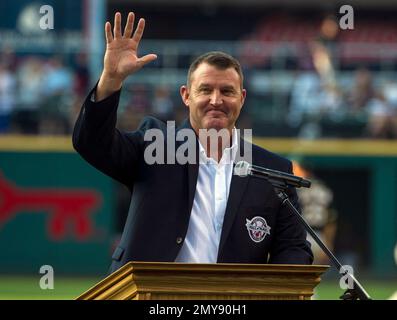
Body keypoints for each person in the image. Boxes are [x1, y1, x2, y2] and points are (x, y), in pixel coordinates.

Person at [73, 12, 313, 273]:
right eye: (205, 90)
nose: (216, 100)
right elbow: (91, 143)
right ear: (186, 96)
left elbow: (293, 248)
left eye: (227, 91)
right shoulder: (156, 146)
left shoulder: (273, 169)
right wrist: (111, 79)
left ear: (242, 98)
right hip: (154, 295)